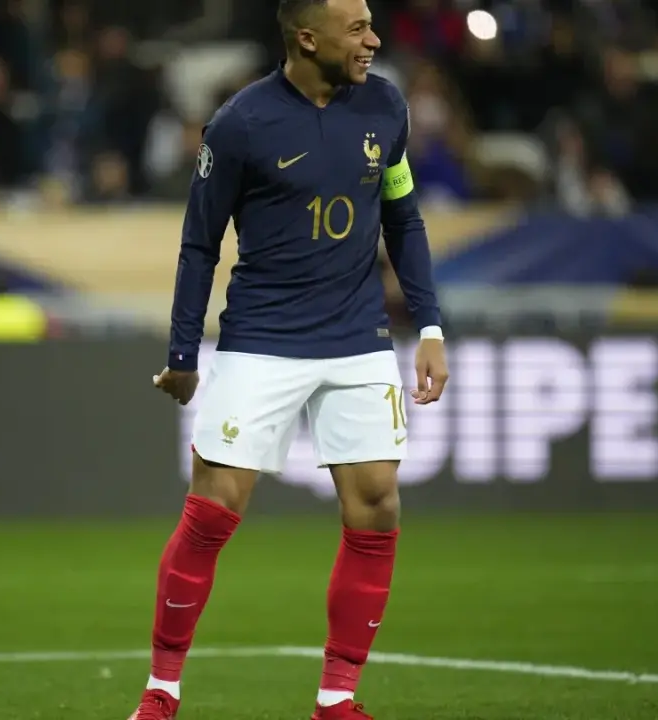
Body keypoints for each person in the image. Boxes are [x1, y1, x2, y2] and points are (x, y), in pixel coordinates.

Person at [132, 1, 450, 719]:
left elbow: (403, 215)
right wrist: (184, 350)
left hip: (359, 338)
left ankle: (337, 700)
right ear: (307, 38)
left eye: (372, 25)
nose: (373, 40)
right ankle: (161, 692)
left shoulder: (385, 107)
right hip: (262, 340)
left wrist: (428, 324)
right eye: (357, 28)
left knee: (376, 507)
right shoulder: (241, 123)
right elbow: (199, 243)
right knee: (214, 508)